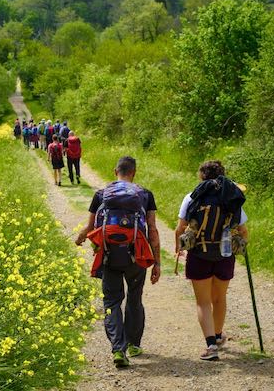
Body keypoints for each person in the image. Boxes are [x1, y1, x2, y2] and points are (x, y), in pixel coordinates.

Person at [76, 156, 161, 368]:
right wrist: (157, 262)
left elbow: (90, 228)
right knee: (134, 297)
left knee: (112, 301)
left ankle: (118, 349)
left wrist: (79, 238)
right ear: (134, 172)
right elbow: (152, 229)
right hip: (137, 255)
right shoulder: (145, 195)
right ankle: (133, 344)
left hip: (109, 255)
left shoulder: (101, 194)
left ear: (116, 171)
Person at [174, 160, 248, 361]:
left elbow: (180, 228)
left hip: (199, 254)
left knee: (203, 302)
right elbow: (243, 231)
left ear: (201, 176)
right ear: (223, 175)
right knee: (219, 298)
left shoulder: (192, 197)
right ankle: (217, 335)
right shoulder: (232, 197)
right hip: (225, 256)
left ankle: (210, 345)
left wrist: (178, 249)